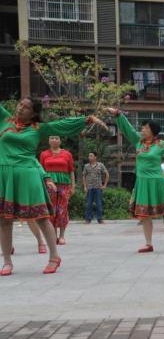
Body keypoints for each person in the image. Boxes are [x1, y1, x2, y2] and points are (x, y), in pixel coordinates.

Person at [0, 97, 105, 276]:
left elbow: (62, 125)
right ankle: (7, 262)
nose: (20, 109)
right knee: (4, 220)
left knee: (41, 217)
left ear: (33, 113)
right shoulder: (5, 120)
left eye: (25, 108)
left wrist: (87, 119)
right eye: (20, 105)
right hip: (4, 175)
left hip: (27, 174)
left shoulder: (39, 128)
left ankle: (54, 257)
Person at [107, 108, 164, 253]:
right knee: (144, 214)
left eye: (145, 128)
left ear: (153, 131)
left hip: (157, 181)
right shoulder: (138, 142)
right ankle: (148, 243)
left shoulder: (160, 144)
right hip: (142, 182)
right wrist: (118, 114)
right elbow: (128, 129)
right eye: (142, 127)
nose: (142, 130)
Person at [40, 136, 75, 244]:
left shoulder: (67, 154)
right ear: (48, 141)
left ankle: (62, 236)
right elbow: (41, 171)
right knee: (51, 209)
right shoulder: (43, 154)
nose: (54, 140)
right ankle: (53, 235)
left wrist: (73, 186)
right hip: (49, 184)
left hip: (64, 184)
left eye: (56, 138)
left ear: (60, 141)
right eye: (51, 138)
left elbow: (71, 171)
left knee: (62, 209)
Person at [83, 151, 109, 224]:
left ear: (95, 157)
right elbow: (84, 176)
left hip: (98, 187)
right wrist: (85, 186)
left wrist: (105, 185)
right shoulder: (86, 166)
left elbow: (107, 174)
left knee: (99, 203)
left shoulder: (100, 165)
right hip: (89, 188)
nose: (89, 157)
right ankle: (88, 219)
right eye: (89, 156)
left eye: (91, 156)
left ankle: (100, 219)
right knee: (88, 204)